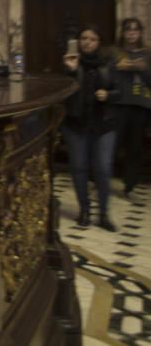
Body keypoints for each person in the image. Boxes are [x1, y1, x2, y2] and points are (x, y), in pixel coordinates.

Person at [63, 26, 122, 231]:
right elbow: (62, 93)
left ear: (99, 43)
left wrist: (109, 95)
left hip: (104, 124)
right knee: (78, 168)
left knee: (103, 170)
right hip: (76, 124)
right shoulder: (71, 63)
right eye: (84, 38)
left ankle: (104, 214)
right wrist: (70, 71)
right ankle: (84, 211)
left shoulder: (109, 63)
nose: (87, 42)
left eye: (92, 39)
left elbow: (120, 91)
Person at [112, 18, 151, 200]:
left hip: (141, 106)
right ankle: (102, 178)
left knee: (135, 146)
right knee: (113, 143)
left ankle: (130, 184)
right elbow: (106, 76)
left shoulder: (148, 54)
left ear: (141, 33)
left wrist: (142, 69)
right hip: (119, 104)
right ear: (123, 33)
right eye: (128, 30)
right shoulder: (115, 53)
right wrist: (117, 68)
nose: (132, 33)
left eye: (136, 30)